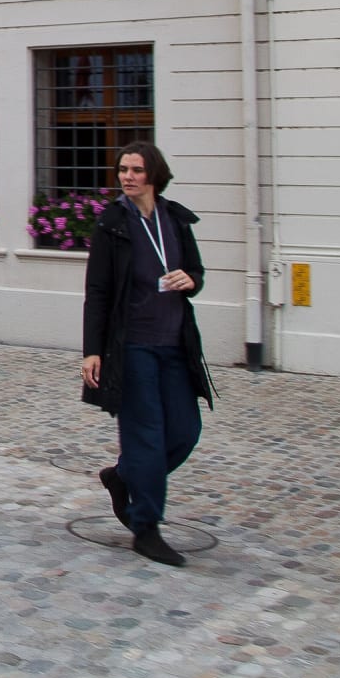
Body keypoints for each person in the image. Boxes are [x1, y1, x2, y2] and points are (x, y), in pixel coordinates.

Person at [81, 140, 214, 568]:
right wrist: (92, 351)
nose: (127, 177)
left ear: (153, 174)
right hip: (132, 346)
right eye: (123, 169)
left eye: (136, 169)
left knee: (183, 432)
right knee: (146, 438)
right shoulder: (112, 224)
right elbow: (97, 293)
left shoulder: (175, 219)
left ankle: (123, 476)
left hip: (174, 345)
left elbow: (197, 272)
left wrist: (189, 280)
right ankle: (146, 528)